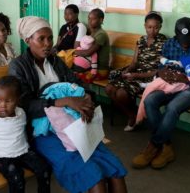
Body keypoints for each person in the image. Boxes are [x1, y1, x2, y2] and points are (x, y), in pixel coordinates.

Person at [9, 16, 127, 193]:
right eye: (41, 39)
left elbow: (77, 84)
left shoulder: (56, 62)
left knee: (115, 171)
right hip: (43, 133)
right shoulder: (18, 66)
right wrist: (63, 101)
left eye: (49, 38)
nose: (47, 44)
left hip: (73, 126)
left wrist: (86, 97)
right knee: (94, 178)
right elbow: (24, 106)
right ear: (27, 40)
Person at [132, 17, 190, 170]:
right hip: (171, 86)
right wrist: (164, 73)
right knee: (150, 101)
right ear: (176, 35)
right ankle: (166, 147)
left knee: (173, 107)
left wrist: (183, 77)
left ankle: (153, 146)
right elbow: (161, 66)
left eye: (188, 40)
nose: (185, 43)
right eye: (182, 40)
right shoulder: (170, 44)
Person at [0, 76, 51, 193]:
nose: (2, 105)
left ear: (17, 100)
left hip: (22, 151)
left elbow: (21, 132)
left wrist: (28, 147)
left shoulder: (21, 113)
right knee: (17, 178)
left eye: (8, 101)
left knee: (44, 168)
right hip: (1, 156)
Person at [105, 11, 167, 131]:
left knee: (121, 94)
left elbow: (160, 70)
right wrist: (127, 71)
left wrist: (136, 75)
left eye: (156, 27)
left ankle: (134, 118)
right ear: (145, 26)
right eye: (149, 27)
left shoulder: (164, 43)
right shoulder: (141, 41)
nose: (152, 30)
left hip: (150, 79)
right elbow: (134, 63)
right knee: (109, 88)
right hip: (135, 75)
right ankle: (132, 115)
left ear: (160, 27)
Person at [74, 8, 110, 82]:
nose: (90, 21)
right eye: (89, 18)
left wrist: (73, 51)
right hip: (90, 66)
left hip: (100, 70)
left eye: (93, 19)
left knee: (75, 76)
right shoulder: (93, 33)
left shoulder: (101, 34)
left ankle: (85, 93)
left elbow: (88, 53)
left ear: (101, 20)